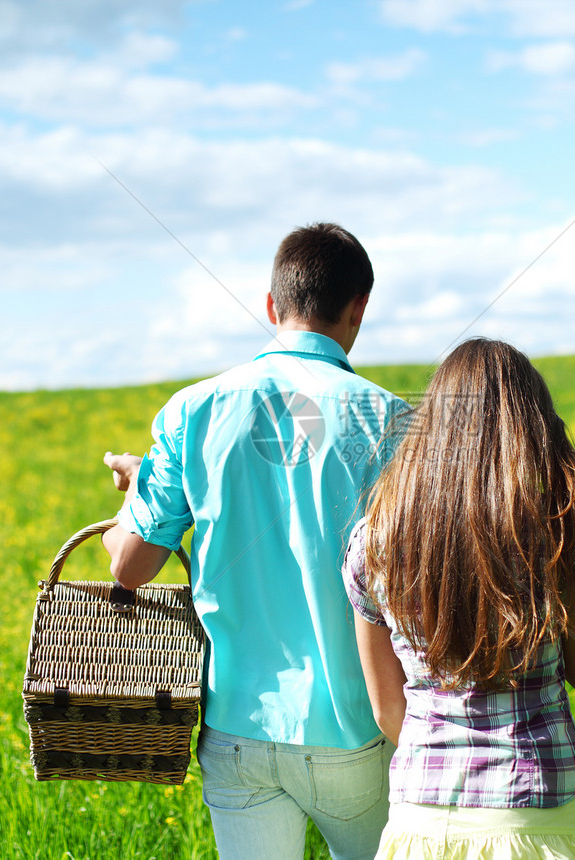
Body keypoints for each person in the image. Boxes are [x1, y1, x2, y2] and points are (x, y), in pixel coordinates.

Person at [102, 223, 409, 860]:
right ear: (360, 309)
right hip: (358, 725)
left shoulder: (192, 409)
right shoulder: (397, 421)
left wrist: (139, 492)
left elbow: (130, 568)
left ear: (272, 306)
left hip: (235, 729)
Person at [342, 337, 575, 859]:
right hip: (540, 820)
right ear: (531, 430)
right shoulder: (553, 532)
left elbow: (387, 710)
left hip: (421, 822)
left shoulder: (374, 543)